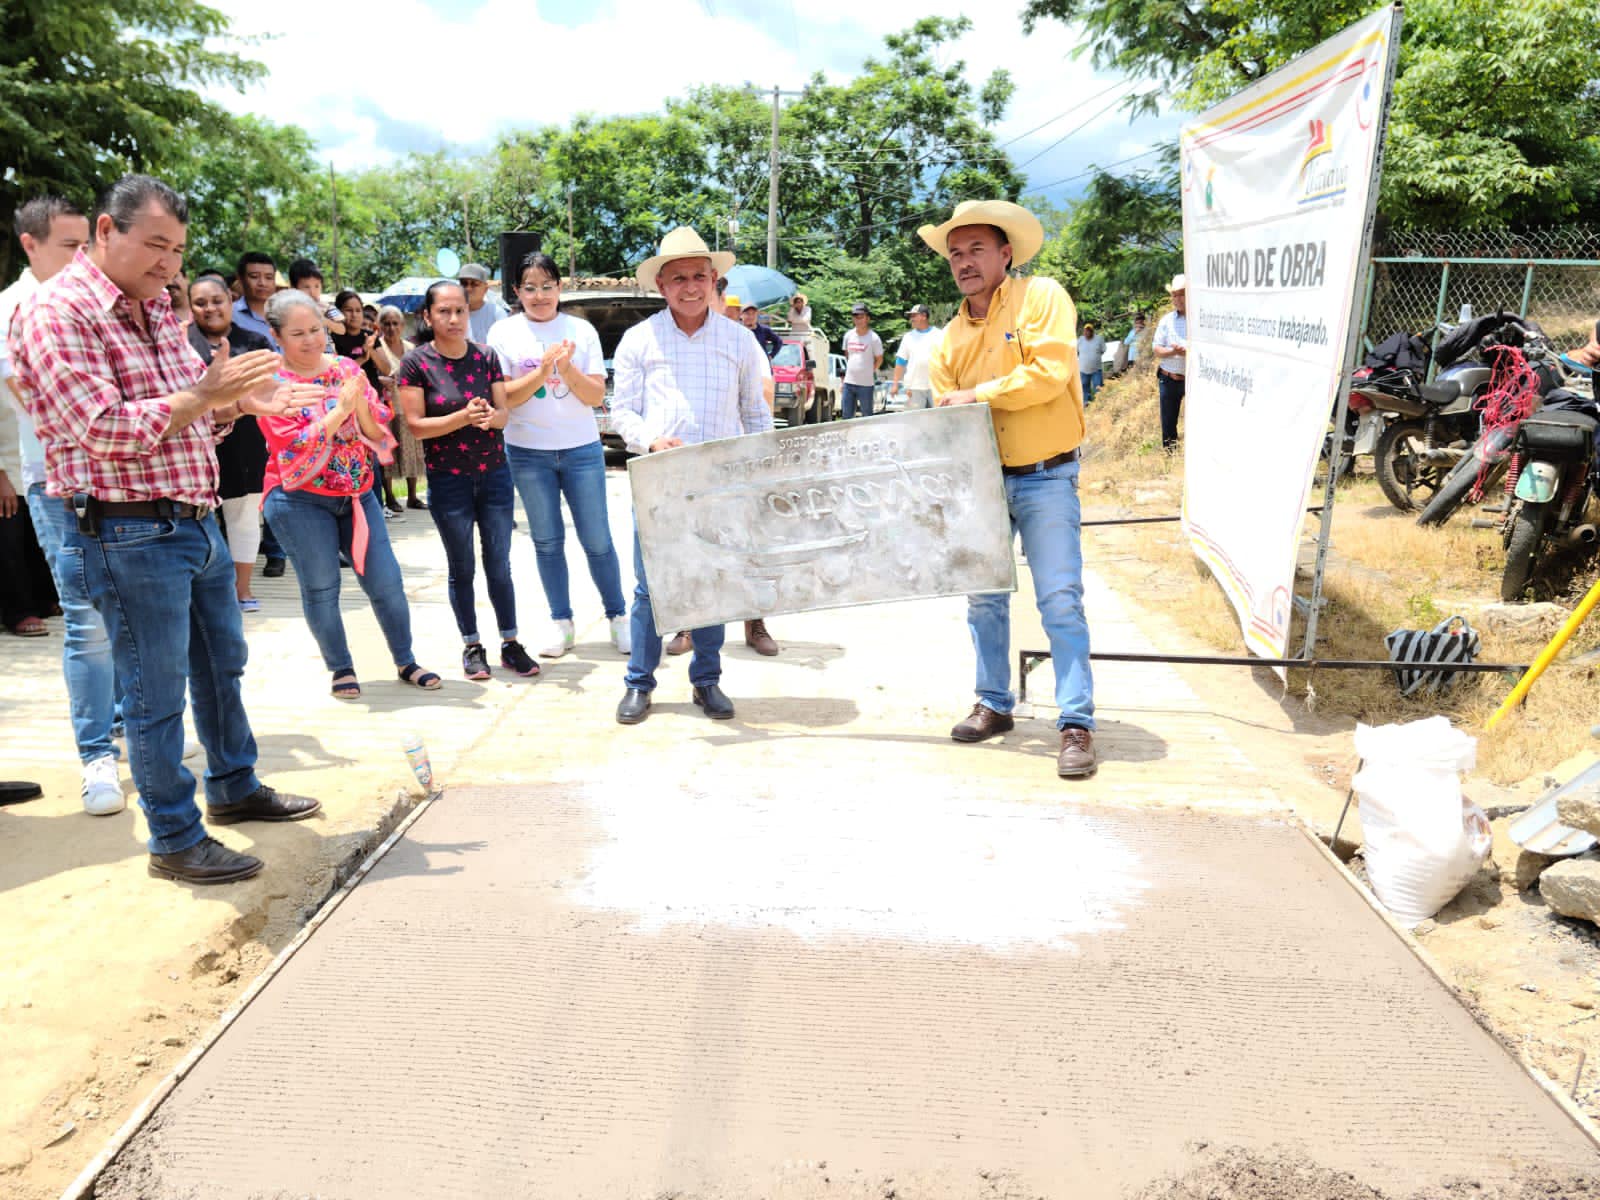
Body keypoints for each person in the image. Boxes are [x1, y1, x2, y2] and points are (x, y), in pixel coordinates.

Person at [10, 174, 325, 883]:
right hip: (125, 532)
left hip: (193, 518)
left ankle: (234, 788)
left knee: (221, 665)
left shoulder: (152, 307)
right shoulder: (58, 314)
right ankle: (175, 840)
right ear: (104, 231)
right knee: (155, 694)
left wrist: (243, 404)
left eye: (178, 250)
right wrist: (206, 395)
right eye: (155, 245)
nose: (168, 265)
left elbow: (191, 415)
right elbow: (101, 431)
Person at [921, 198, 1097, 779]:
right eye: (955, 253)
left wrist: (977, 395)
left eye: (976, 249)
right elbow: (948, 421)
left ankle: (1075, 722)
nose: (964, 261)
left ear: (1006, 254)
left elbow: (1049, 375)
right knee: (985, 599)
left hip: (1047, 474)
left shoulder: (1042, 297)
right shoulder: (947, 338)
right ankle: (995, 703)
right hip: (985, 482)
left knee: (1060, 600)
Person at [610, 226, 772, 725]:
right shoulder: (639, 339)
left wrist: (760, 469)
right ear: (661, 285)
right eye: (677, 277)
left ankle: (707, 682)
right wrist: (651, 441)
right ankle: (640, 682)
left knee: (714, 583)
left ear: (714, 279)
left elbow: (756, 413)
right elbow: (621, 412)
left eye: (699, 276)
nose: (689, 286)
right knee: (649, 588)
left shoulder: (739, 340)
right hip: (660, 479)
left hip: (721, 482)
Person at [2, 195, 125, 814]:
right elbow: (25, 400)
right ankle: (96, 755)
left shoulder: (107, 301)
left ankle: (129, 724)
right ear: (30, 243)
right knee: (86, 618)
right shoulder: (12, 310)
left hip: (122, 479)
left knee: (124, 610)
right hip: (55, 482)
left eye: (89, 244)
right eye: (69, 246)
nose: (84, 257)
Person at [259, 289, 440, 699]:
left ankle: (405, 658)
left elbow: (378, 431)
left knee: (386, 580)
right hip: (298, 499)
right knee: (322, 586)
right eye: (297, 333)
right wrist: (339, 410)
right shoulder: (272, 383)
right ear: (276, 335)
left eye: (316, 330)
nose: (310, 340)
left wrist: (355, 405)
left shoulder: (345, 368)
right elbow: (293, 444)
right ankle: (340, 667)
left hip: (358, 493)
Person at [487, 252, 629, 660]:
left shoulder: (580, 330)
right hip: (528, 453)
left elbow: (595, 396)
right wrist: (542, 369)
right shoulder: (503, 332)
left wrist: (565, 369)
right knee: (547, 542)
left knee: (598, 540)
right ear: (516, 291)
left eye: (547, 286)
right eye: (529, 288)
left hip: (581, 450)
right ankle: (561, 623)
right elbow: (506, 398)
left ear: (560, 288)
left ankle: (618, 618)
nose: (539, 295)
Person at [398, 281, 536, 681]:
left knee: (500, 565)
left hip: (494, 475)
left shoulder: (487, 357)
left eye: (460, 310)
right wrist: (463, 417)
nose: (454, 319)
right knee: (462, 567)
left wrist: (491, 417)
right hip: (448, 481)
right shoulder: (416, 363)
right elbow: (417, 426)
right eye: (444, 311)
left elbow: (504, 414)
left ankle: (510, 643)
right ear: (428, 316)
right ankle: (472, 645)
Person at [188, 273, 272, 612]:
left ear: (229, 301)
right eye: (200, 302)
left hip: (247, 442)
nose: (210, 308)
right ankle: (202, 593)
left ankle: (241, 590)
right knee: (198, 519)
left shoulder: (254, 341)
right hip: (193, 446)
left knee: (244, 518)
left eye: (216, 300)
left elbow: (266, 389)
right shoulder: (179, 344)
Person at [370, 305, 426, 510]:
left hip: (409, 406)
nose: (391, 327)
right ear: (379, 326)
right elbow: (369, 373)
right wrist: (381, 379)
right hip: (385, 407)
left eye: (395, 323)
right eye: (386, 323)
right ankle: (390, 497)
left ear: (402, 326)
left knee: (412, 450)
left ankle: (412, 496)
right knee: (388, 453)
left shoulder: (411, 349)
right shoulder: (377, 347)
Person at [1153, 275, 1188, 450]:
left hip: (1192, 379)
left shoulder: (1200, 319)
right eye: (1174, 295)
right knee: (1168, 422)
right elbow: (1157, 349)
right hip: (1168, 377)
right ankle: (1169, 457)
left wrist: (1188, 353)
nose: (1177, 299)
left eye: (1181, 294)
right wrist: (1173, 351)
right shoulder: (1166, 321)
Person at [889, 303, 943, 410]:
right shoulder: (908, 337)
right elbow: (900, 361)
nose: (911, 319)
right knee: (916, 422)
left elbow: (948, 359)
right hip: (914, 387)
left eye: (914, 315)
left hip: (936, 386)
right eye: (910, 316)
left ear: (924, 316)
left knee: (938, 419)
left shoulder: (939, 334)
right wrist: (895, 384)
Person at [841, 302, 882, 419]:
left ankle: (867, 438)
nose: (858, 320)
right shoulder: (848, 335)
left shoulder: (874, 338)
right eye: (855, 317)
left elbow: (879, 359)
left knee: (867, 417)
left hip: (866, 385)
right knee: (846, 416)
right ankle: (847, 437)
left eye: (861, 317)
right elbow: (847, 355)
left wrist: (870, 370)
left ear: (867, 318)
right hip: (849, 383)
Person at [233, 251, 279, 348]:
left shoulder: (287, 313)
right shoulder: (230, 315)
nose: (262, 283)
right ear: (240, 279)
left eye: (269, 277)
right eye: (254, 276)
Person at [458, 263, 507, 343]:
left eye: (474, 284)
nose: (468, 288)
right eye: (464, 283)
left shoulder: (496, 313)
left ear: (485, 289)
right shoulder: (452, 313)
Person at [1076, 321, 1107, 405]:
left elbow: (1103, 350)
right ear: (1084, 331)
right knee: (1084, 386)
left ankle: (1100, 402)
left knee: (1098, 386)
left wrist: (1094, 357)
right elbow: (1076, 352)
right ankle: (1086, 402)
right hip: (1083, 369)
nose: (1087, 332)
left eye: (1089, 330)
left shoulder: (1099, 339)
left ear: (1092, 331)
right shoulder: (1080, 340)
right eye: (1086, 330)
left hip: (1096, 369)